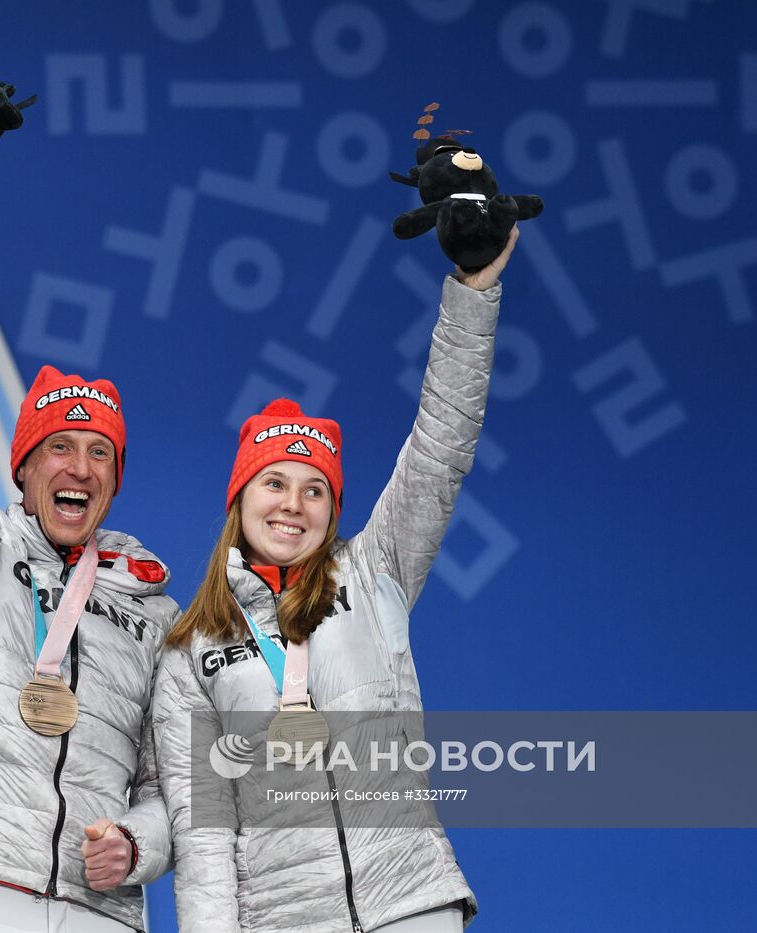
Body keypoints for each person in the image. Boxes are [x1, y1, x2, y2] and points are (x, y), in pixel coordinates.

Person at [153, 229, 519, 932]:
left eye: (315, 489)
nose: (293, 504)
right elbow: (203, 837)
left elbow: (440, 446)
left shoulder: (374, 570)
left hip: (409, 905)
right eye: (275, 482)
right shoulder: (190, 650)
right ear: (240, 496)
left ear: (333, 509)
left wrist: (472, 293)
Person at [0, 144, 176, 932]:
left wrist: (137, 840)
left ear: (115, 481)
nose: (78, 464)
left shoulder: (153, 607)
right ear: (21, 467)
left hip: (100, 911)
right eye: (58, 445)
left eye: (99, 452)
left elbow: (173, 782)